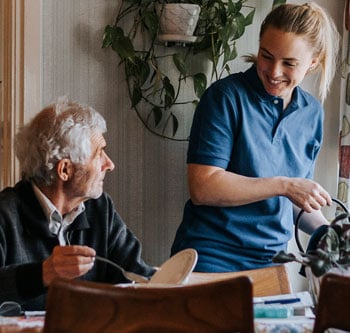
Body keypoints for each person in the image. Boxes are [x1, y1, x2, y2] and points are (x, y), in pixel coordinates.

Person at [171, 3, 340, 272]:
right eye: (266, 56)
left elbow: (296, 201)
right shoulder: (225, 97)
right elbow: (203, 187)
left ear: (312, 63)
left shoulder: (312, 114)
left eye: (289, 63)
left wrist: (331, 233)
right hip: (210, 255)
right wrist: (284, 185)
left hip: (270, 263)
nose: (274, 72)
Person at [0, 97, 156, 310]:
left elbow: (138, 276)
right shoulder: (5, 213)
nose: (110, 164)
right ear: (65, 170)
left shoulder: (100, 209)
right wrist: (42, 274)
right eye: (99, 154)